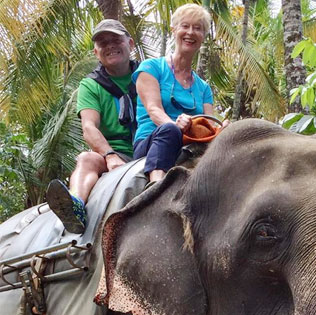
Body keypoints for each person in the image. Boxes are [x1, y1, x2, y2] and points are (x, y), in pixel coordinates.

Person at [46, 19, 138, 234]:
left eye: (116, 39)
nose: (110, 46)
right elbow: (89, 127)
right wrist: (110, 155)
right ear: (96, 53)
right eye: (103, 43)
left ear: (130, 44)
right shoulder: (91, 85)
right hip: (115, 154)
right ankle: (75, 206)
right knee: (86, 159)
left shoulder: (148, 74)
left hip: (152, 147)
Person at [132, 4, 215, 183]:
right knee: (169, 130)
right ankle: (155, 186)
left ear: (203, 37)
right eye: (185, 26)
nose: (191, 32)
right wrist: (177, 126)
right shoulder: (151, 68)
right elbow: (154, 110)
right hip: (153, 140)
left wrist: (221, 128)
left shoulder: (204, 88)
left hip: (189, 146)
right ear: (174, 30)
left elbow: (209, 124)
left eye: (198, 28)